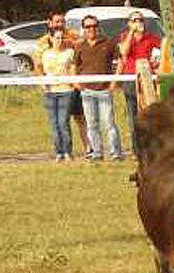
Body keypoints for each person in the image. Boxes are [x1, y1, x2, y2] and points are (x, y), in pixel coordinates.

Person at [34, 11, 90, 157]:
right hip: (53, 89)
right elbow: (38, 65)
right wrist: (43, 84)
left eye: (62, 22)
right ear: (50, 23)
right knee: (57, 122)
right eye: (57, 22)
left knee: (80, 118)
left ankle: (88, 148)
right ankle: (60, 151)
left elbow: (80, 55)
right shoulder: (43, 43)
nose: (60, 24)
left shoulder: (73, 36)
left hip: (71, 85)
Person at [73, 14, 123, 161]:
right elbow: (73, 66)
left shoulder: (108, 43)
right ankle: (97, 153)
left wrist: (115, 81)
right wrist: (77, 83)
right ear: (83, 29)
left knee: (109, 123)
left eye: (94, 26)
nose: (91, 29)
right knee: (92, 124)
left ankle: (115, 153)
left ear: (98, 27)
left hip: (105, 90)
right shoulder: (80, 46)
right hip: (87, 91)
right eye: (88, 26)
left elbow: (120, 60)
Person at [118, 10, 161, 155]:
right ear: (129, 23)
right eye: (135, 20)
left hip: (147, 79)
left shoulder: (152, 38)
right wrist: (131, 33)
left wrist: (158, 64)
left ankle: (151, 146)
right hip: (130, 79)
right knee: (133, 115)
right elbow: (124, 51)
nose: (139, 23)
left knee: (149, 113)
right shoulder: (125, 37)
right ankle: (137, 149)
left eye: (141, 20)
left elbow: (163, 50)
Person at [39, 28, 80, 161]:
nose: (60, 41)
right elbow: (40, 70)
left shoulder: (69, 53)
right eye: (57, 38)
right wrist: (43, 85)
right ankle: (58, 151)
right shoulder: (45, 54)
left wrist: (73, 84)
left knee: (63, 122)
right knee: (53, 123)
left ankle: (67, 151)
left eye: (62, 38)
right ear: (51, 39)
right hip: (50, 92)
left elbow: (72, 69)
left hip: (65, 91)